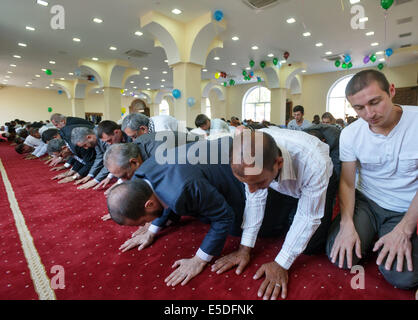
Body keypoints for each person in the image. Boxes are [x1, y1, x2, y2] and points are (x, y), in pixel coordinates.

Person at [211, 128, 334, 300]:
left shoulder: (314, 163)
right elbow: (254, 199)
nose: (251, 190)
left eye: (258, 182)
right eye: (247, 183)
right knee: (263, 228)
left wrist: (281, 263)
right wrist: (244, 249)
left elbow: (308, 217)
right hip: (280, 181)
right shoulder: (251, 157)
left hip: (318, 177)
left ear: (279, 163)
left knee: (312, 244)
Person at [106, 136, 246, 287]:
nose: (147, 224)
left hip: (243, 164)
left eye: (144, 222)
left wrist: (199, 259)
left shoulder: (182, 190)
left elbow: (223, 216)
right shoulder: (143, 171)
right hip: (222, 151)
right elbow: (160, 197)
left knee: (238, 226)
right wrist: (152, 231)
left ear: (149, 205)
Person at [326, 69, 418, 290]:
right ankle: (371, 236)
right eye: (359, 108)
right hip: (367, 202)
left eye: (375, 102)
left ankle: (386, 238)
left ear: (391, 91)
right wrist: (347, 224)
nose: (369, 113)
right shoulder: (350, 134)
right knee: (339, 256)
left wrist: (405, 229)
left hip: (404, 209)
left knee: (404, 277)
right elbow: (348, 183)